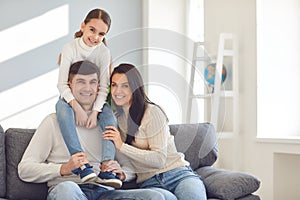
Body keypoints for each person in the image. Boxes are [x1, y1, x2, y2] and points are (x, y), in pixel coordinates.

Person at [18, 60, 168, 200]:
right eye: (81, 82)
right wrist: (63, 168)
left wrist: (121, 172)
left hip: (105, 191)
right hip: (69, 189)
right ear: (69, 86)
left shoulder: (108, 122)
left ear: (99, 87)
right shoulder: (52, 122)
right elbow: (25, 169)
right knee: (67, 189)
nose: (88, 88)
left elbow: (130, 167)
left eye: (93, 82)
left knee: (154, 196)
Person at [102, 63, 207, 200]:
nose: (117, 91)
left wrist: (121, 145)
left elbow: (159, 159)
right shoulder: (117, 121)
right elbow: (131, 165)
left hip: (178, 175)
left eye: (125, 85)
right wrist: (122, 173)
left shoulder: (152, 112)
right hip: (149, 183)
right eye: (114, 85)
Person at [56, 8, 120, 187]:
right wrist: (77, 108)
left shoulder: (103, 52)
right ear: (83, 26)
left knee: (109, 116)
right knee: (61, 108)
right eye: (92, 30)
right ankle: (81, 163)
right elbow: (62, 85)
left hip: (96, 98)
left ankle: (107, 167)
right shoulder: (70, 47)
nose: (95, 37)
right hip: (72, 96)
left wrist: (94, 112)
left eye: (101, 34)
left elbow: (103, 88)